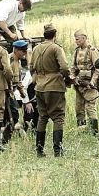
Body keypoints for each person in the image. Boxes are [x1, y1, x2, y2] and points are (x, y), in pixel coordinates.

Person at [30, 23, 70, 157]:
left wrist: (37, 79)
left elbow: (31, 67)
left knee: (42, 117)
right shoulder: (56, 48)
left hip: (39, 86)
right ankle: (58, 150)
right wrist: (66, 78)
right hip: (54, 86)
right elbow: (64, 67)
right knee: (58, 117)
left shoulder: (36, 48)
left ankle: (39, 150)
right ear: (55, 35)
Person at [70, 29, 99, 134]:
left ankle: (94, 131)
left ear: (84, 38)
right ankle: (81, 130)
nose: (76, 41)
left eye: (77, 39)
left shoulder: (92, 51)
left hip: (90, 85)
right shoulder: (76, 51)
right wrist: (72, 77)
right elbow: (73, 67)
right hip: (79, 84)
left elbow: (98, 69)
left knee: (90, 107)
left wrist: (92, 82)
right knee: (79, 108)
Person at [3, 39, 30, 143]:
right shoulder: (8, 60)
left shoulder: (17, 62)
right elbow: (5, 75)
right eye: (23, 51)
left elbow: (17, 81)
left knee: (13, 114)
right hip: (5, 91)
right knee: (12, 114)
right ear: (16, 50)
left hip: (12, 91)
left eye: (25, 51)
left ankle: (8, 136)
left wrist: (22, 93)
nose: (24, 53)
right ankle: (5, 138)